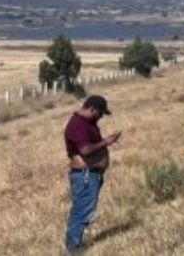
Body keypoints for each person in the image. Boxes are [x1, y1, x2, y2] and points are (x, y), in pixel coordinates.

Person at [63, 95, 120, 252]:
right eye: (100, 113)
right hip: (85, 175)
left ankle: (75, 245)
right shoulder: (78, 124)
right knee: (82, 211)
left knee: (84, 209)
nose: (101, 117)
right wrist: (107, 141)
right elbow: (85, 150)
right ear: (93, 109)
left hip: (91, 174)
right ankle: (73, 249)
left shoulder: (88, 124)